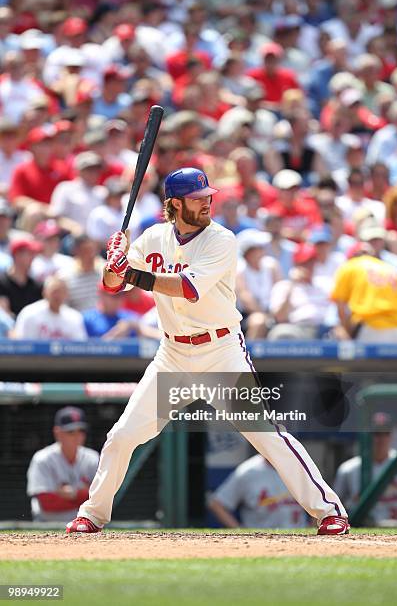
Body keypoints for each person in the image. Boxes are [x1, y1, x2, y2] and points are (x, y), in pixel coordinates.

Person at [66, 167, 349, 535]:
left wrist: (131, 275)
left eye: (207, 196)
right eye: (197, 198)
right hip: (172, 356)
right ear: (175, 204)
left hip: (220, 352)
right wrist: (115, 262)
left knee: (266, 435)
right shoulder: (153, 238)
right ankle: (92, 515)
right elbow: (111, 285)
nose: (206, 203)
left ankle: (329, 511)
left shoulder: (222, 239)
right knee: (122, 436)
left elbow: (186, 288)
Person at [26, 406, 99, 522]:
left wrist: (73, 494)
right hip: (47, 526)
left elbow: (101, 499)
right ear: (57, 433)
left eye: (81, 431)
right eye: (71, 431)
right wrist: (83, 495)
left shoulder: (92, 458)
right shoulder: (42, 459)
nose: (77, 436)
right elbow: (47, 503)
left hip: (85, 525)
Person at [334, 412, 397, 525]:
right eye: (376, 433)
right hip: (362, 530)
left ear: (391, 436)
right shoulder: (348, 469)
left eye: (386, 433)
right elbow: (332, 507)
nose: (381, 439)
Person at [331, 242, 397, 342]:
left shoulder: (350, 266)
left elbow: (340, 304)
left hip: (372, 326)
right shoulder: (390, 269)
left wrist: (346, 330)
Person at [208, 454, 308, 529]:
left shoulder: (299, 465)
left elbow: (319, 496)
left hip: (298, 536)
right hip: (262, 539)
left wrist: (312, 527)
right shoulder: (248, 471)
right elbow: (217, 504)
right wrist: (239, 531)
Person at [13, 274, 87, 341]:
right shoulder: (29, 313)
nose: (57, 296)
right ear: (44, 292)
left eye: (61, 292)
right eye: (54, 291)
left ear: (67, 294)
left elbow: (80, 346)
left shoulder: (74, 317)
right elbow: (21, 343)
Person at [0, 237, 43, 316]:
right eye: (29, 253)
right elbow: (4, 316)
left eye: (33, 254)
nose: (33, 258)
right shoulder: (2, 282)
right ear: (17, 255)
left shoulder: (36, 286)